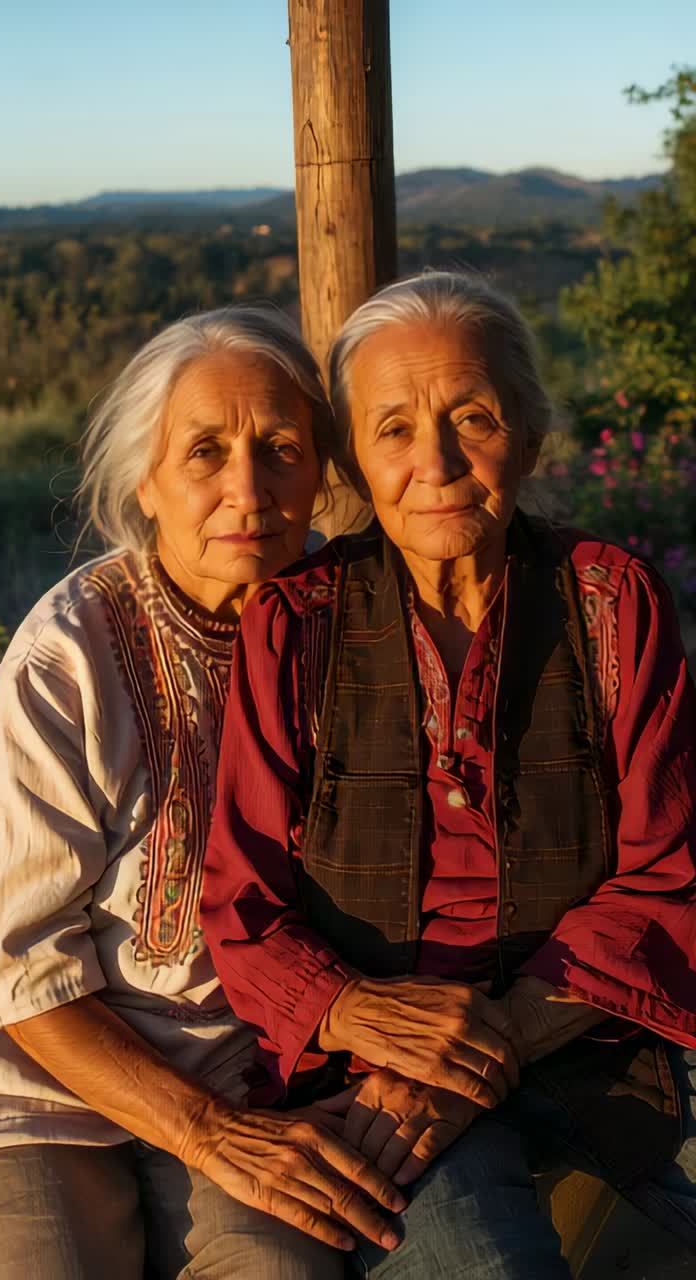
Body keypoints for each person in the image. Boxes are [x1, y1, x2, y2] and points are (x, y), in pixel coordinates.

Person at [202, 272, 696, 1278]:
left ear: (531, 434)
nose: (435, 462)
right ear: (352, 459)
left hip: (586, 1053)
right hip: (378, 1083)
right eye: (392, 428)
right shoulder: (295, 624)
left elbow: (669, 876)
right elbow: (243, 908)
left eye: (471, 416)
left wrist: (486, 1046)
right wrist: (363, 1013)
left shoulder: (608, 601)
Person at [0, 308, 405, 1280]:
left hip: (246, 1078)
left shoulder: (353, 632)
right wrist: (204, 1133)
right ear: (146, 478)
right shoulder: (71, 651)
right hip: (40, 1083)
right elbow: (18, 967)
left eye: (281, 448)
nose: (246, 488)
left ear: (321, 474)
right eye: (205, 450)